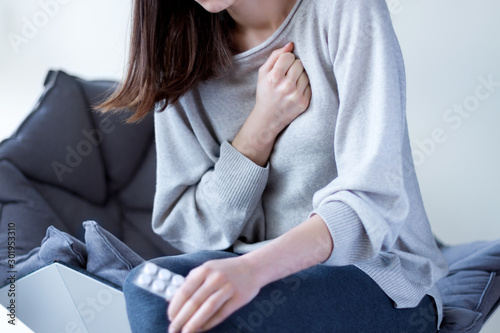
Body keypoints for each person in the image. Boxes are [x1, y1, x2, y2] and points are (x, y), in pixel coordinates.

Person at [98, 0, 449, 332]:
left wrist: (254, 270)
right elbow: (190, 228)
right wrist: (261, 126)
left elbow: (372, 197)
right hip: (249, 269)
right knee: (148, 290)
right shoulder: (179, 59)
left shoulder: (344, 10)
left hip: (376, 274)